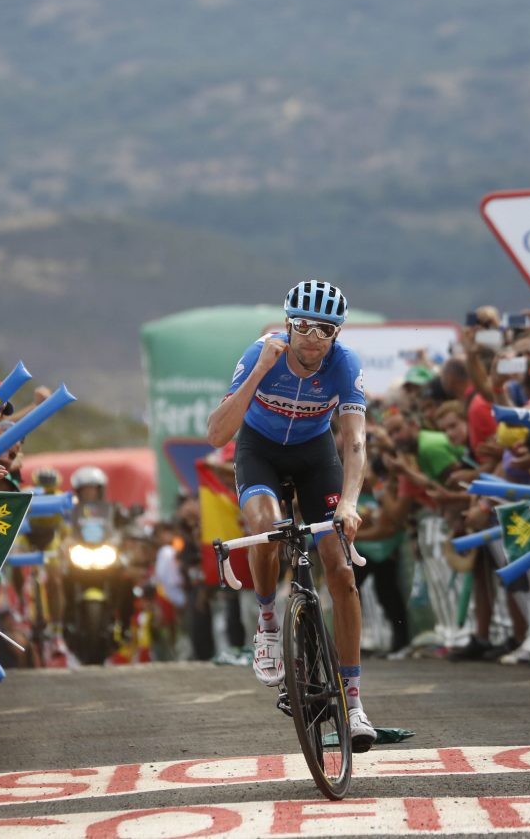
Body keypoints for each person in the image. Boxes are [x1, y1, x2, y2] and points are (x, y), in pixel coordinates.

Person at [206, 280, 374, 751]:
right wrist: (259, 371)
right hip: (259, 450)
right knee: (265, 528)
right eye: (302, 325)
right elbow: (218, 434)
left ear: (336, 335)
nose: (311, 337)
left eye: (324, 329)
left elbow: (356, 441)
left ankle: (355, 703)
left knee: (341, 571)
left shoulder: (345, 365)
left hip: (315, 456)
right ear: (287, 324)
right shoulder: (261, 353)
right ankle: (267, 623)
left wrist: (349, 502)